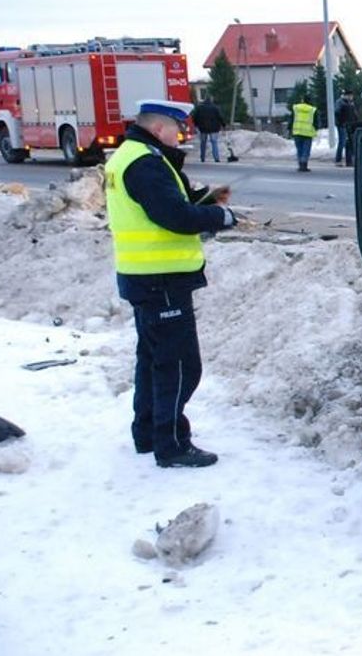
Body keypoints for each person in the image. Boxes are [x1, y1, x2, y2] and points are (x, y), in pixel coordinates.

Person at [103, 100, 237, 468]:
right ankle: (173, 444)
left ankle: (147, 433)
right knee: (180, 365)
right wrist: (218, 216)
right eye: (177, 129)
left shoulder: (129, 156)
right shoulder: (146, 163)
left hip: (144, 278)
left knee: (152, 360)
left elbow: (159, 207)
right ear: (160, 127)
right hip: (161, 280)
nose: (181, 136)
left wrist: (203, 200)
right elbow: (173, 216)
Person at [192, 95, 226, 163]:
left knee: (203, 142)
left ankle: (202, 157)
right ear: (211, 100)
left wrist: (196, 125)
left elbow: (195, 117)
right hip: (214, 128)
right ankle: (216, 158)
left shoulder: (199, 107)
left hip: (203, 128)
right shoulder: (215, 108)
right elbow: (220, 117)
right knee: (214, 142)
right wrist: (223, 125)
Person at [290, 95, 318, 172]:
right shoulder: (312, 110)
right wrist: (316, 129)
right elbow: (316, 122)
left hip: (297, 132)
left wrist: (290, 129)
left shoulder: (296, 108)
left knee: (299, 149)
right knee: (306, 150)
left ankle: (300, 165)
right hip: (308, 133)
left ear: (302, 100)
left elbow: (291, 119)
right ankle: (304, 165)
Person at [334, 89, 358, 166]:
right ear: (347, 95)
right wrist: (341, 122)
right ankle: (338, 160)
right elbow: (337, 113)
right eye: (350, 96)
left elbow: (354, 114)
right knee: (342, 142)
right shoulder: (340, 102)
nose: (351, 97)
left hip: (350, 125)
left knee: (349, 143)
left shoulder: (351, 103)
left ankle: (349, 161)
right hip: (343, 125)